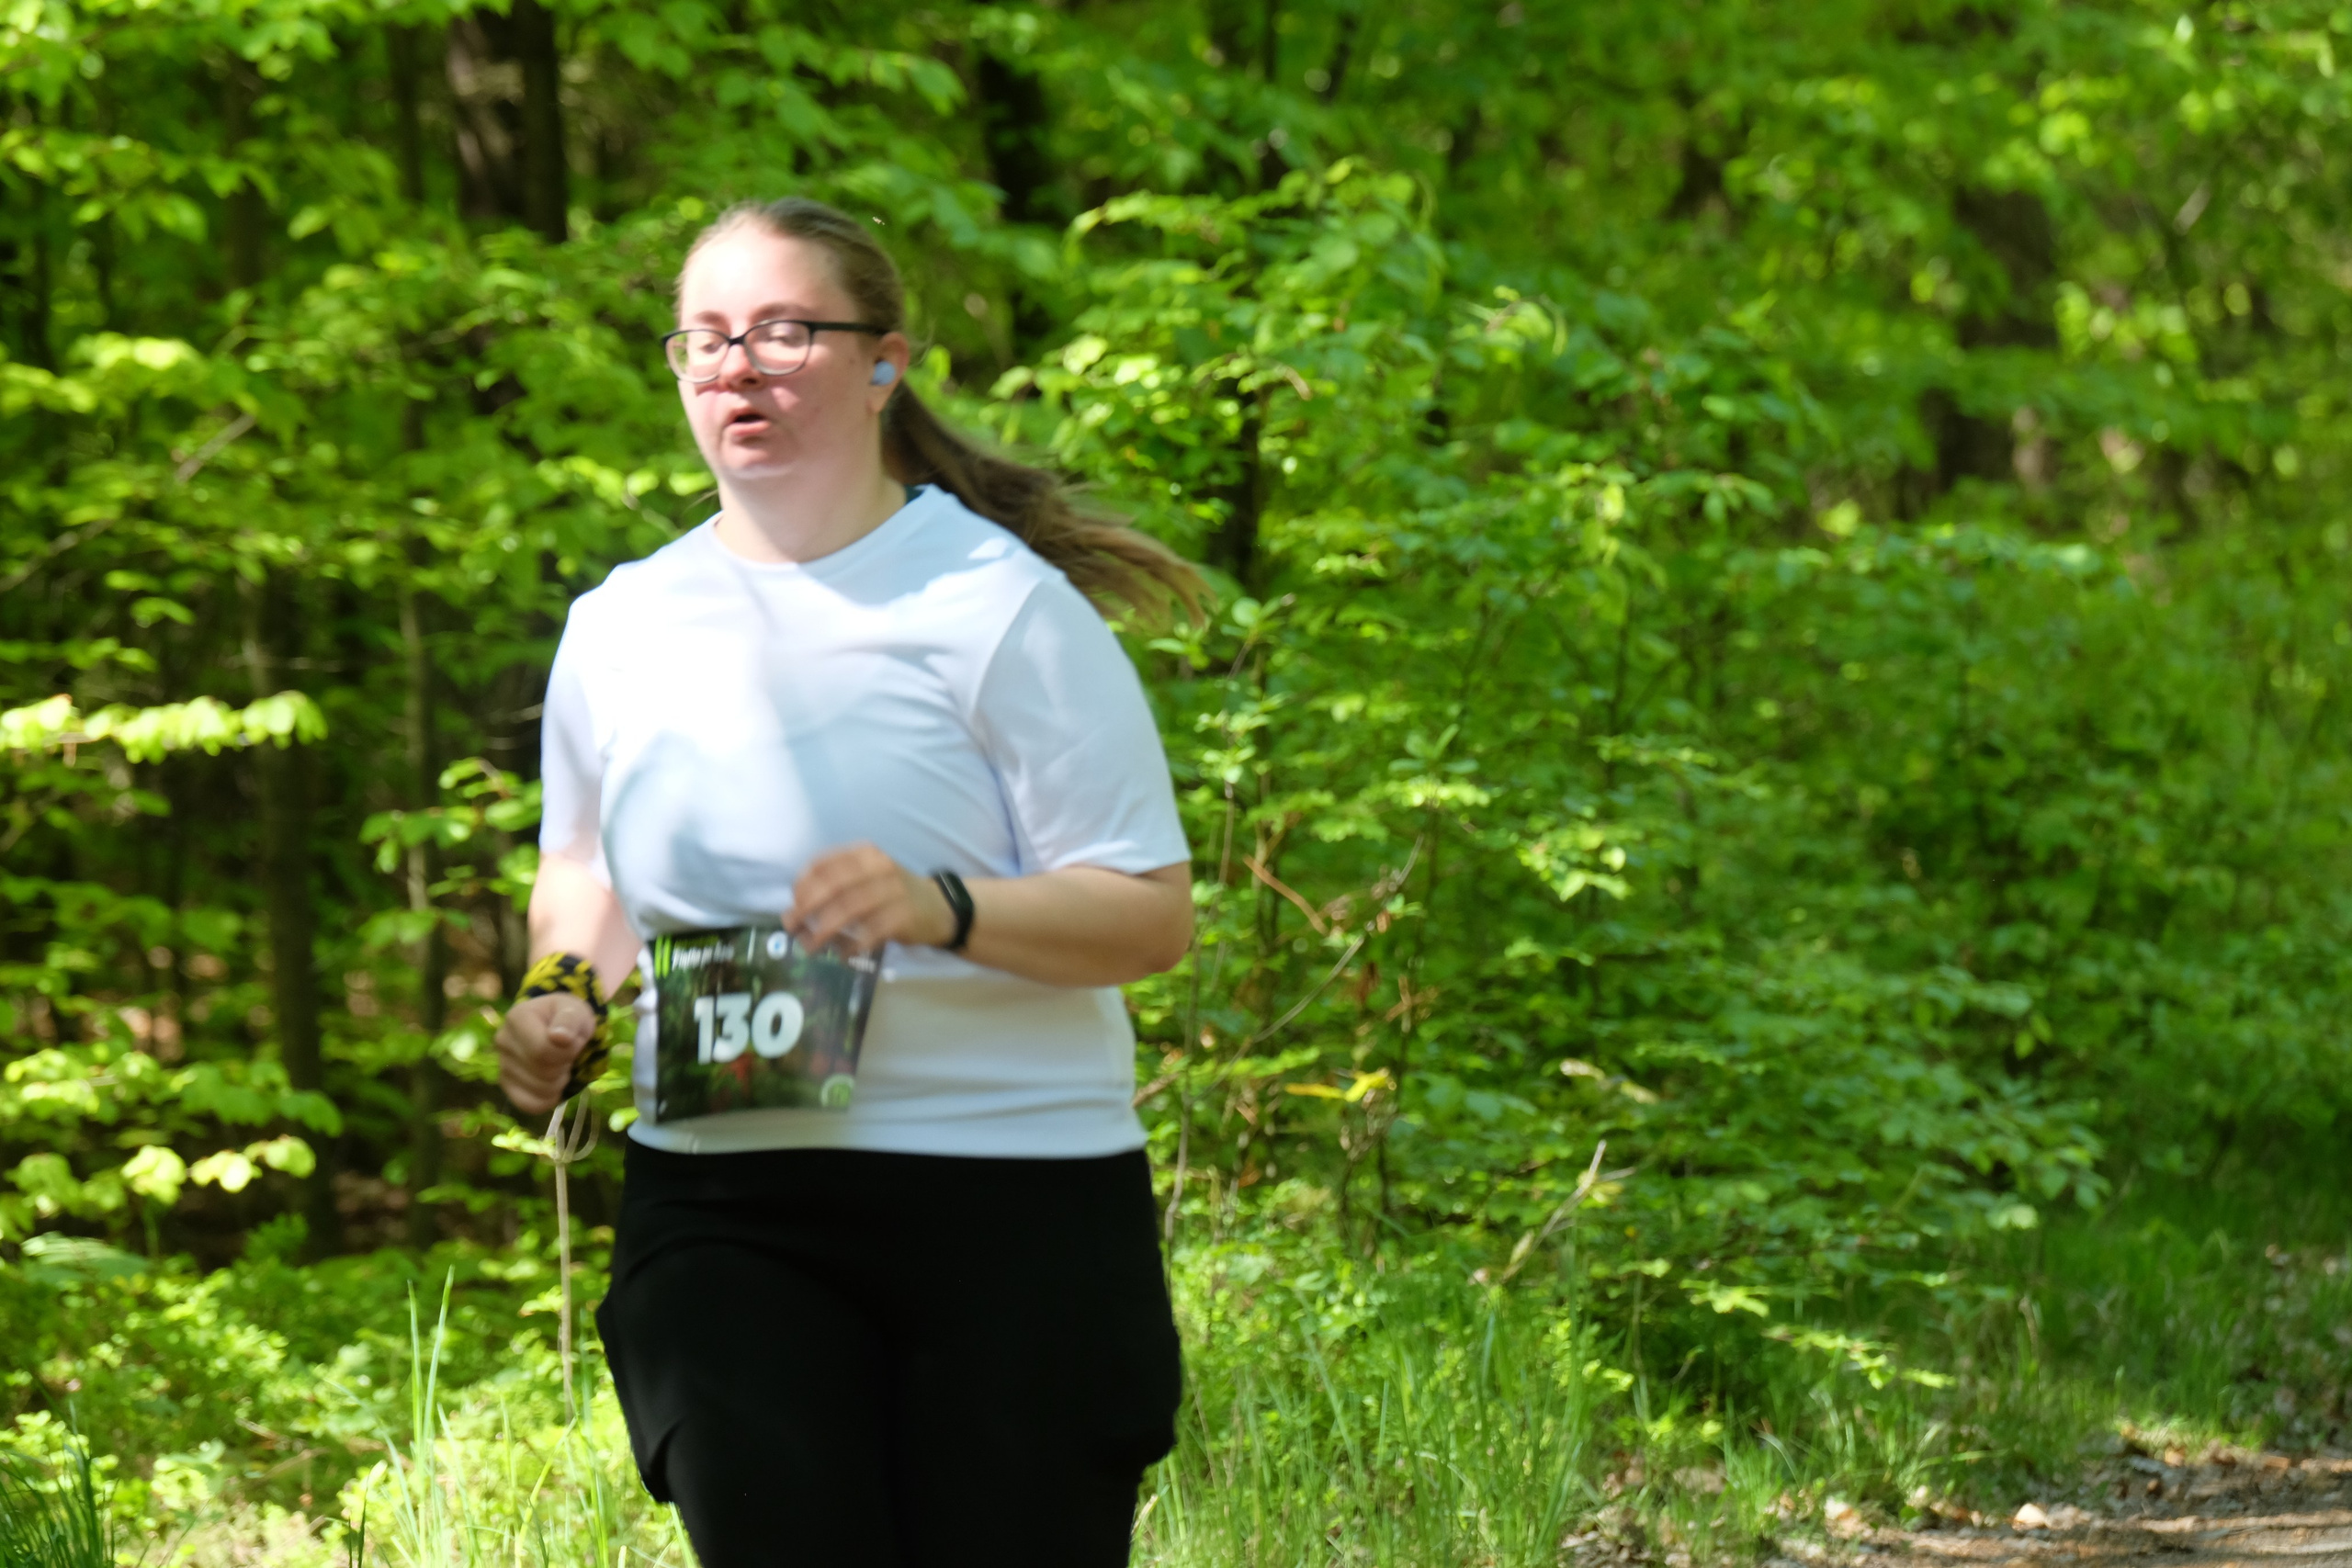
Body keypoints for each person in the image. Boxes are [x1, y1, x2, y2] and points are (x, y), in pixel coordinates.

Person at [492, 196, 1204, 1568]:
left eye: (781, 332)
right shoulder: (623, 624)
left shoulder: (997, 606)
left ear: (885, 362)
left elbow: (1149, 912)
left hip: (1011, 1200)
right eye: (703, 339)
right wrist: (561, 991)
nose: (735, 366)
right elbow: (581, 868)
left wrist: (945, 907)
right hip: (724, 1189)